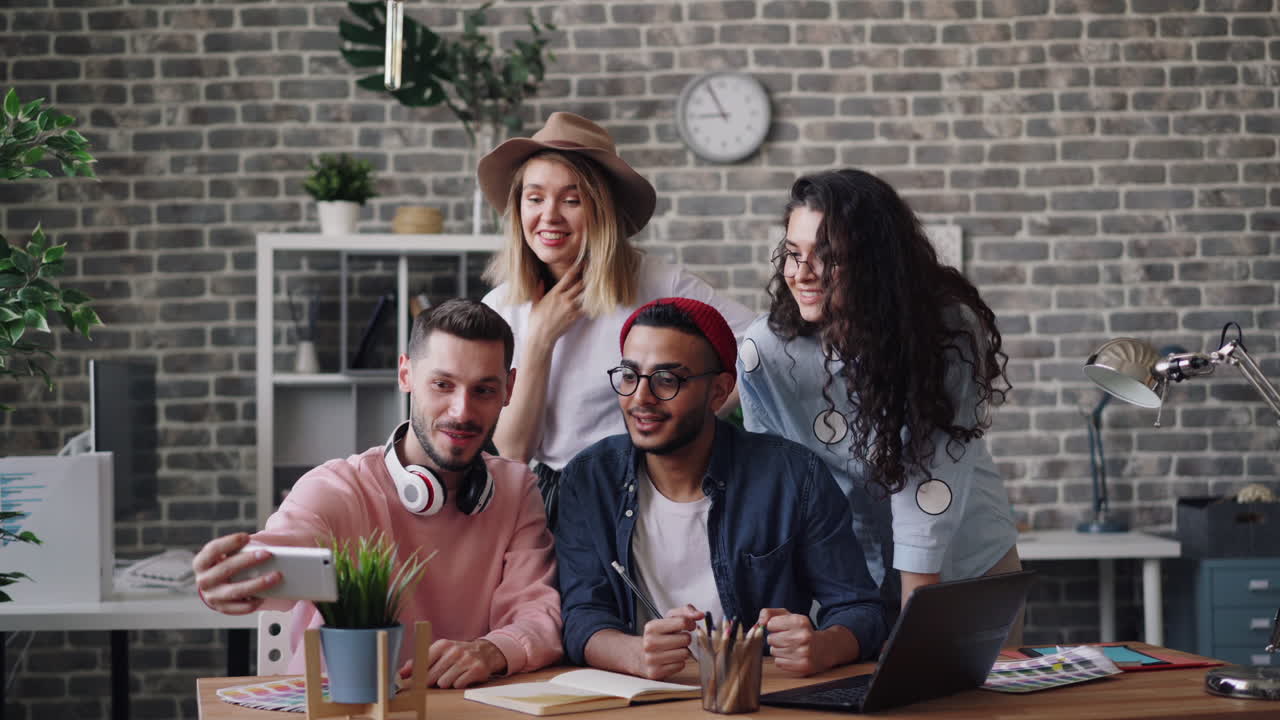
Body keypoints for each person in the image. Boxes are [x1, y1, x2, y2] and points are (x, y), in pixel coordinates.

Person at [192, 299, 562, 688]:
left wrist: (493, 651)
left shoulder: (518, 491)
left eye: (484, 390)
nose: (462, 411)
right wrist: (224, 579)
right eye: (443, 384)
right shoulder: (335, 487)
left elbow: (537, 613)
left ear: (509, 389)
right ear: (406, 374)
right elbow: (269, 562)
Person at [737, 169, 1021, 637]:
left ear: (874, 261)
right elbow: (778, 482)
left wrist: (915, 635)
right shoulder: (765, 352)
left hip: (963, 569)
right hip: (847, 588)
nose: (801, 274)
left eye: (825, 257)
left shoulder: (946, 334)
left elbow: (929, 486)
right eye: (792, 254)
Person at [556, 297, 887, 680]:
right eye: (630, 376)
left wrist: (824, 645)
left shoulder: (794, 476)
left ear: (719, 390)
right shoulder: (590, 479)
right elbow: (582, 615)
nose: (640, 398)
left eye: (667, 379)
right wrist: (633, 653)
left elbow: (860, 608)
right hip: (640, 699)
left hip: (757, 696)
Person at [478, 112, 754, 532]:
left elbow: (757, 345)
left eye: (571, 200)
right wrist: (538, 342)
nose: (549, 216)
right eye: (534, 198)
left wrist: (698, 414)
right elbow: (514, 453)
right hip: (551, 500)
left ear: (601, 207)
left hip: (646, 494)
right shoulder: (500, 306)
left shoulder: (657, 282)